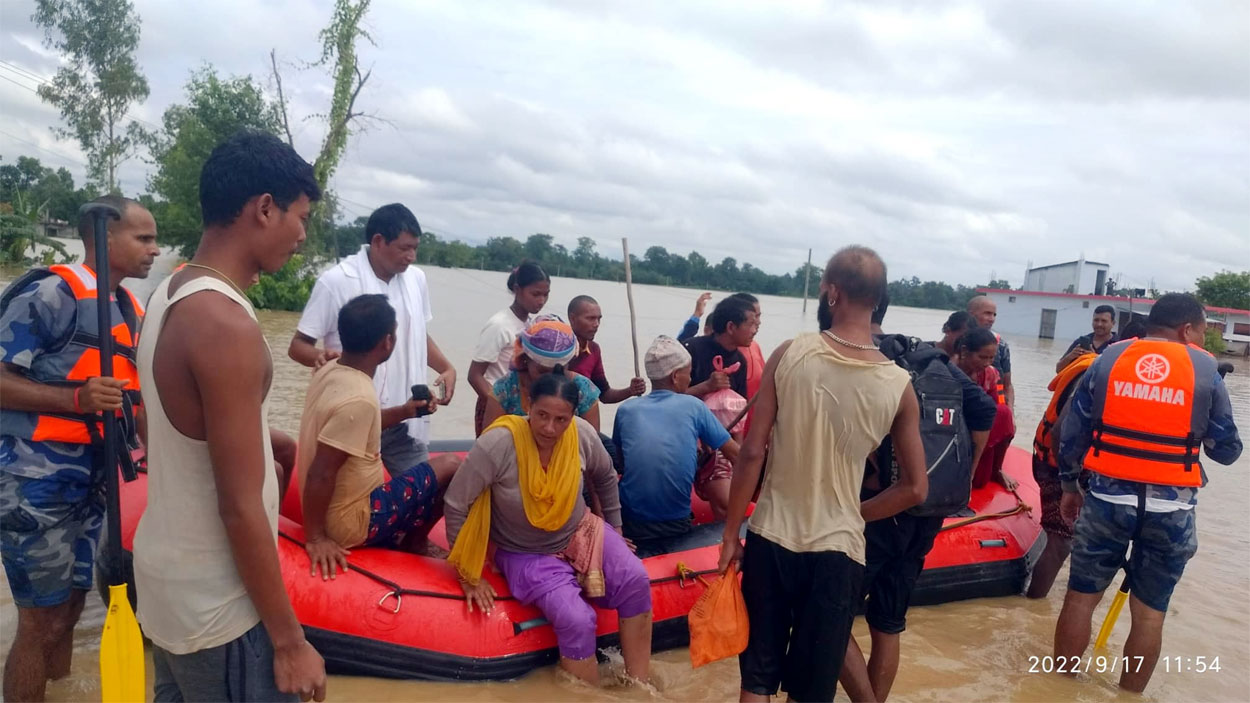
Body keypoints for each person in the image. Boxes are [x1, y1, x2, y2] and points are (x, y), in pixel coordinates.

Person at [134, 131, 327, 702]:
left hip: (168, 586)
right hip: (221, 608)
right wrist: (290, 641)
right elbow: (239, 505)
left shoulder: (169, 293)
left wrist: (255, 434)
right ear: (264, 208)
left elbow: (164, 426)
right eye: (301, 216)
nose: (302, 234)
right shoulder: (226, 324)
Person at [718, 246, 928, 703]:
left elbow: (752, 452)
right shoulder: (898, 385)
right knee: (812, 690)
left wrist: (732, 533)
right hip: (838, 551)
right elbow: (915, 488)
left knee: (756, 679)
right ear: (879, 298)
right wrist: (854, 512)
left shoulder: (790, 353)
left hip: (772, 539)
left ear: (832, 293)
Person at [0, 195, 157, 702]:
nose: (155, 250)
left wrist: (160, 459)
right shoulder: (50, 294)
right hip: (34, 479)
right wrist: (74, 398)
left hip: (94, 477)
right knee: (38, 619)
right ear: (105, 237)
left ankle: (62, 692)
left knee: (69, 608)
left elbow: (133, 402)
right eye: (144, 238)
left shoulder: (130, 308)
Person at [1053, 293, 1242, 693]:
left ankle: (1057, 689)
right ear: (1186, 329)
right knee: (1150, 615)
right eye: (1203, 332)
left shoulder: (1108, 359)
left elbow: (1071, 433)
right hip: (1171, 509)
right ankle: (1129, 697)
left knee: (1080, 598)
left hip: (1106, 499)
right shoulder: (1205, 371)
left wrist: (1069, 485)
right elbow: (1227, 452)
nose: (1204, 341)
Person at [444, 372, 653, 686]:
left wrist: (616, 530)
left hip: (578, 530)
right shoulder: (498, 444)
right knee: (577, 619)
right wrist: (467, 575)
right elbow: (456, 503)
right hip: (523, 550)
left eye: (560, 419)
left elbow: (606, 477)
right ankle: (590, 694)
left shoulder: (581, 435)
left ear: (572, 417)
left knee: (636, 579)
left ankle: (640, 685)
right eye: (542, 415)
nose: (549, 428)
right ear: (528, 406)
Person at [840, 294, 997, 703]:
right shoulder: (927, 356)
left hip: (878, 506)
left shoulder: (862, 357)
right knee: (888, 623)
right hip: (928, 510)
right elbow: (983, 408)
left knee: (831, 619)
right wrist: (964, 469)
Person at [298, 295, 464, 576]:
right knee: (452, 465)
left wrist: (405, 411)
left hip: (340, 508)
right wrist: (316, 538)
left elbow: (355, 424)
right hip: (353, 522)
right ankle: (415, 542)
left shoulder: (330, 367)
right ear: (387, 342)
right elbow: (321, 473)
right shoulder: (360, 399)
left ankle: (407, 538)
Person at [289, 204, 455, 474]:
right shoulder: (337, 281)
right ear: (378, 241)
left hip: (405, 416)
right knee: (350, 498)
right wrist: (321, 358)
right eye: (404, 248)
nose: (411, 256)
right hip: (353, 417)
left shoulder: (417, 280)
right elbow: (298, 346)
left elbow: (417, 333)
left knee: (428, 495)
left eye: (415, 248)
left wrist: (446, 367)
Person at [614, 336, 740, 553]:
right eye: (689, 373)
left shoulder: (626, 410)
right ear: (675, 376)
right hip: (674, 522)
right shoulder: (694, 406)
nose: (690, 379)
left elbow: (623, 464)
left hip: (630, 520)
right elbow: (736, 456)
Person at [468, 261, 550, 435]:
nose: (541, 301)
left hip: (523, 405)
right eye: (535, 294)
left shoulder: (530, 324)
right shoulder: (499, 326)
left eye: (545, 295)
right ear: (517, 289)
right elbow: (475, 375)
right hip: (498, 403)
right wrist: (498, 404)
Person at [482, 315, 602, 431]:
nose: (550, 379)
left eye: (557, 372)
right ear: (526, 359)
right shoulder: (505, 388)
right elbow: (491, 443)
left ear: (569, 363)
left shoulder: (585, 391)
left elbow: (589, 445)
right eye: (542, 371)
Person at [953, 328, 1018, 490]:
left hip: (980, 431)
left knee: (1005, 414)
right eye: (982, 357)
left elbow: (999, 405)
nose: (987, 363)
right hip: (953, 429)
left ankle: (997, 469)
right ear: (964, 351)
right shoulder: (947, 370)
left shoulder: (991, 374)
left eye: (991, 358)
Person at [566, 295, 646, 404]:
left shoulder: (593, 349)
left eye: (599, 319)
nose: (596, 324)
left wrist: (631, 390)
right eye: (590, 318)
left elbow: (604, 394)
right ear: (572, 318)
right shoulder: (558, 347)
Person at [683, 296, 756, 399]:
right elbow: (668, 397)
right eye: (750, 324)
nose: (754, 331)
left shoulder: (739, 361)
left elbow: (740, 403)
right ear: (730, 327)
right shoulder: (691, 349)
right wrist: (706, 386)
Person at [967, 295, 1013, 408]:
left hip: (997, 399)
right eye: (987, 313)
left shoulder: (1000, 345)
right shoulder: (960, 341)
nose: (992, 319)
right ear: (971, 314)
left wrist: (1009, 412)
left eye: (994, 314)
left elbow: (1007, 385)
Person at [1055, 304, 1119, 372]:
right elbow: (1058, 370)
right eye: (1096, 320)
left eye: (1104, 321)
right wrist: (1070, 356)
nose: (1099, 324)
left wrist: (1094, 358)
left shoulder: (1119, 345)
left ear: (1113, 323)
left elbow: (1119, 372)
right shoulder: (1080, 342)